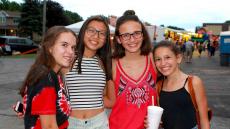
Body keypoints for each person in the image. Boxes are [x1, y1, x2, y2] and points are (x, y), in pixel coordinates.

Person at [19, 26, 77, 129]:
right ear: (50, 47)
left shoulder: (50, 73)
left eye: (73, 47)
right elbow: (49, 126)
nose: (71, 52)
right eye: (64, 45)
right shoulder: (47, 78)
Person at [109, 10, 158, 129]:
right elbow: (109, 101)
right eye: (125, 35)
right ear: (119, 39)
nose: (132, 39)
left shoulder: (154, 59)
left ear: (143, 35)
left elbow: (164, 91)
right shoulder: (111, 64)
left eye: (136, 33)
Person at [64, 15, 115, 129]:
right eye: (91, 30)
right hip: (70, 123)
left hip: (99, 123)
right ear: (82, 32)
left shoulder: (104, 64)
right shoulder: (68, 59)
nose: (96, 36)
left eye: (102, 33)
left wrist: (91, 98)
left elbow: (111, 101)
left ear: (106, 39)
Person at [151, 40, 210, 129]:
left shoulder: (193, 82)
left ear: (178, 58)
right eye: (158, 59)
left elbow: (204, 120)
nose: (163, 63)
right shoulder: (158, 86)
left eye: (167, 57)